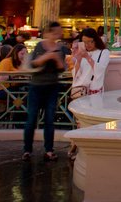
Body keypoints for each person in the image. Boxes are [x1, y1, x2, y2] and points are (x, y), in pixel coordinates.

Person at [23, 22, 69, 161]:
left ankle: (49, 150)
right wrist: (47, 56)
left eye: (59, 32)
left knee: (50, 119)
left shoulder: (60, 48)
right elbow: (33, 63)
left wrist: (57, 60)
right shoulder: (39, 46)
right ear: (48, 33)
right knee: (31, 119)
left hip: (52, 86)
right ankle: (27, 150)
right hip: (36, 86)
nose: (58, 35)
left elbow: (62, 68)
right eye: (56, 32)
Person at [72, 27, 110, 97]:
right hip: (80, 91)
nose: (87, 44)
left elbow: (100, 69)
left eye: (90, 41)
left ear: (96, 40)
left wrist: (87, 57)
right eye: (84, 42)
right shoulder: (82, 53)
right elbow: (76, 74)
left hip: (94, 91)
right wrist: (79, 60)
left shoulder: (104, 52)